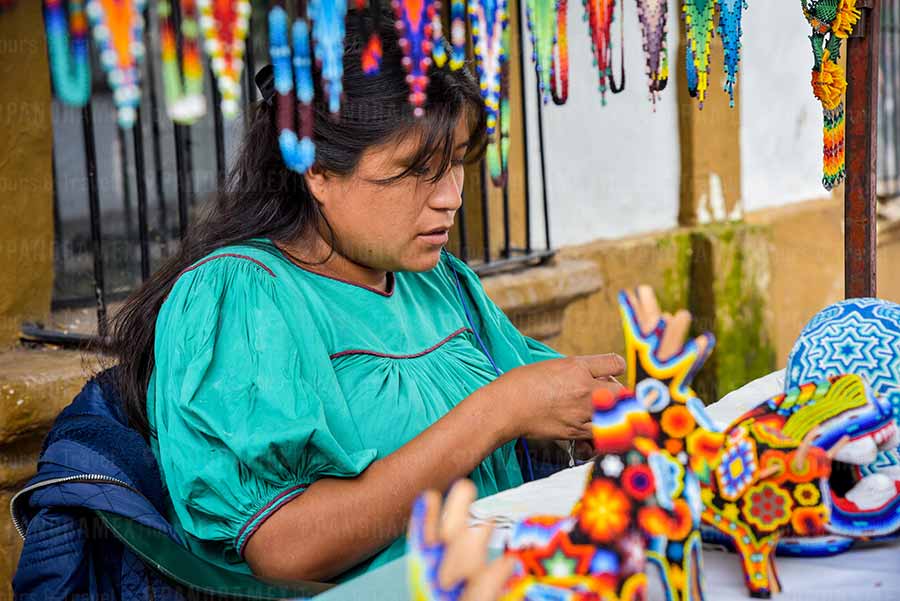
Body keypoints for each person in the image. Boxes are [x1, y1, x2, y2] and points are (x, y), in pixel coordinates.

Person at [108, 7, 623, 585]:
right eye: (413, 172)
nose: (451, 198)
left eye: (454, 163)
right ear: (318, 172)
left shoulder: (437, 281)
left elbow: (547, 398)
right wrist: (497, 412)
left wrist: (624, 414)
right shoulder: (244, 298)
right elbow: (284, 549)